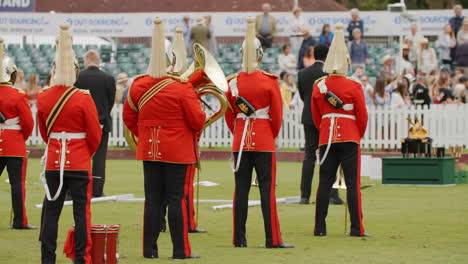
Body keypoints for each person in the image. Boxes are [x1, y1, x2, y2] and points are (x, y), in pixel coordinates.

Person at [123, 18, 204, 259]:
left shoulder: (138, 85)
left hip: (149, 149)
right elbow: (197, 121)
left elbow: (129, 118)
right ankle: (180, 251)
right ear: (173, 60)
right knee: (176, 199)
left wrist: (145, 134)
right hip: (177, 150)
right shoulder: (181, 87)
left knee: (153, 200)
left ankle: (149, 250)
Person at [224, 17, 293, 249]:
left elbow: (229, 115)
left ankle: (239, 239)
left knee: (240, 190)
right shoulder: (269, 81)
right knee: (267, 191)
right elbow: (277, 116)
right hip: (263, 140)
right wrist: (269, 134)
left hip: (240, 140)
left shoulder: (232, 83)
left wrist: (239, 131)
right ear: (261, 56)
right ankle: (272, 239)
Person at [38, 22, 102, 264]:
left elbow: (45, 133)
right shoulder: (83, 98)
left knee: (51, 212)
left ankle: (47, 258)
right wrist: (85, 153)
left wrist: (57, 145)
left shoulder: (44, 97)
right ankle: (80, 258)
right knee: (81, 213)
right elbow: (94, 134)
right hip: (78, 160)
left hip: (54, 161)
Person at [311, 23, 370, 237]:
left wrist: (324, 130)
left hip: (326, 137)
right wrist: (358, 134)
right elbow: (362, 116)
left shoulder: (320, 86)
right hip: (349, 136)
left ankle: (319, 228)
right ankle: (356, 228)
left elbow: (316, 116)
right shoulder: (353, 86)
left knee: (324, 183)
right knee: (353, 185)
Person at [297, 43, 344, 205]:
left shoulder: (302, 74)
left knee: (309, 156)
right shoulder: (330, 73)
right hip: (325, 118)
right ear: (326, 56)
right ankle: (332, 194)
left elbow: (304, 96)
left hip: (309, 118)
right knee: (329, 156)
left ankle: (304, 195)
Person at [0, 38, 35, 230]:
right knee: (17, 185)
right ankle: (20, 221)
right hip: (13, 143)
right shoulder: (17, 94)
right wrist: (23, 137)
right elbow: (28, 122)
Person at [75, 49, 116, 197]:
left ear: (86, 61)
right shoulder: (108, 78)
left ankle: (77, 189)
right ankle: (97, 190)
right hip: (101, 122)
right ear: (98, 61)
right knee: (99, 158)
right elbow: (111, 101)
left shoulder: (78, 77)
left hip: (81, 124)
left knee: (78, 156)